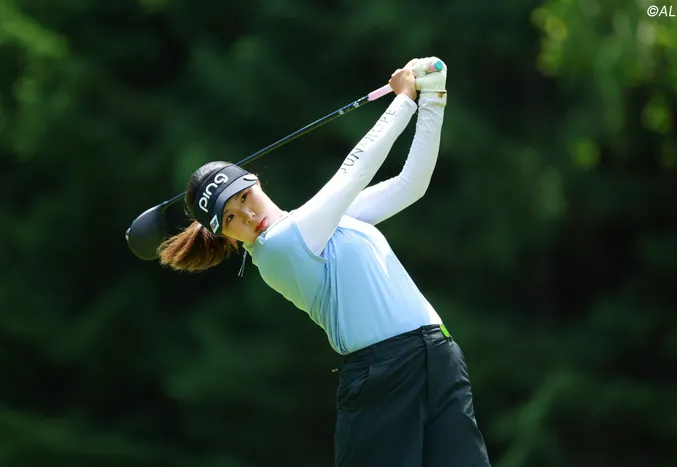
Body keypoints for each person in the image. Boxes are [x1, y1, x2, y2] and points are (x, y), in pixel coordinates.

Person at [158, 57, 491, 467]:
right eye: (230, 219)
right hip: (382, 378)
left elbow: (411, 184)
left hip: (437, 355)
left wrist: (434, 98)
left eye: (244, 197)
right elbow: (353, 172)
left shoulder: (323, 221)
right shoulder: (278, 248)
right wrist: (404, 101)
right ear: (225, 236)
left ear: (256, 182)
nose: (247, 215)